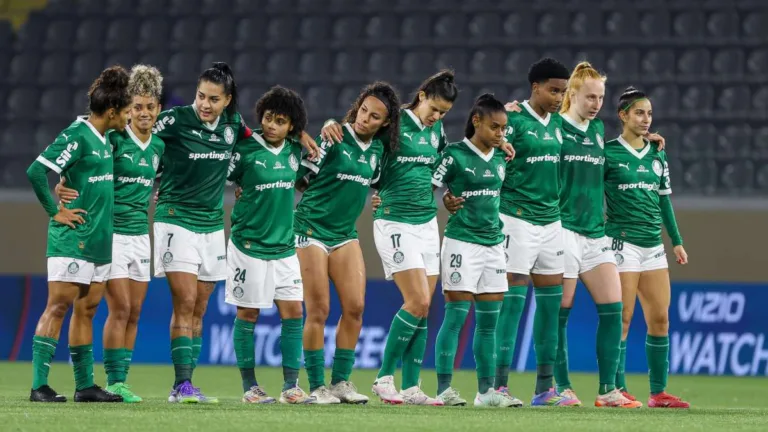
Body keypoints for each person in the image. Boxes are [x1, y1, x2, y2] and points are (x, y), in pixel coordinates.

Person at [322, 70, 455, 405]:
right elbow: (357, 138)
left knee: (425, 307)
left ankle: (411, 387)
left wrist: (446, 195)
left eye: (444, 113)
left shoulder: (437, 132)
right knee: (417, 301)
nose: (437, 117)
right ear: (422, 96)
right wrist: (330, 124)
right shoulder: (392, 124)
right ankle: (383, 378)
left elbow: (435, 170)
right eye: (434, 109)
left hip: (427, 223)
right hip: (395, 222)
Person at [54, 65, 166, 403]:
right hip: (112, 233)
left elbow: (164, 178)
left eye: (150, 107)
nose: (143, 113)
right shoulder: (115, 139)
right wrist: (62, 185)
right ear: (127, 109)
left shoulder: (159, 146)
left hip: (140, 237)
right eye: (137, 106)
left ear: (158, 109)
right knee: (120, 307)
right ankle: (111, 381)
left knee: (135, 311)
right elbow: (81, 157)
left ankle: (120, 381)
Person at [26, 66, 131, 403]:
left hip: (99, 241)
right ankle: (39, 385)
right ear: (112, 111)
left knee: (87, 310)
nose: (129, 117)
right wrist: (54, 209)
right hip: (72, 238)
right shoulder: (77, 135)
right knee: (57, 307)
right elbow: (36, 171)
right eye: (126, 111)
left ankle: (85, 385)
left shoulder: (107, 138)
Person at [295, 82, 399, 404]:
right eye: (363, 110)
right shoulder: (334, 137)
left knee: (355, 308)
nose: (365, 118)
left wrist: (381, 198)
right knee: (319, 309)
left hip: (344, 235)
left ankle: (340, 382)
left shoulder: (378, 152)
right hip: (311, 229)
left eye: (374, 116)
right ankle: (317, 386)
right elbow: (299, 177)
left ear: (385, 122)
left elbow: (377, 184)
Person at [551, 62, 642, 408]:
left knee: (614, 309)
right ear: (572, 94)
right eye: (590, 97)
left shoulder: (598, 130)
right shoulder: (555, 127)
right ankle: (562, 387)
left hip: (595, 232)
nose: (596, 104)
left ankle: (607, 390)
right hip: (562, 230)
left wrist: (644, 140)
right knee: (560, 313)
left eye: (601, 98)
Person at [493, 58, 580, 406]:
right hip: (516, 219)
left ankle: (545, 389)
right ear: (536, 88)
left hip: (552, 222)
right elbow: (483, 146)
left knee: (549, 308)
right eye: (553, 90)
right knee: (512, 306)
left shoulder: (559, 124)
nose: (559, 97)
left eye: (563, 92)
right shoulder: (512, 120)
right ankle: (498, 386)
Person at [226, 86, 314, 404]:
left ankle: (291, 387)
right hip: (248, 245)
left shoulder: (295, 152)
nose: (272, 125)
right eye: (267, 118)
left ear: (292, 126)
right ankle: (250, 387)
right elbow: (217, 177)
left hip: (284, 247)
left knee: (293, 312)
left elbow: (304, 182)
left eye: (280, 121)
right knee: (248, 313)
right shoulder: (245, 150)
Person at [431, 94, 520, 407]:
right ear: (476, 121)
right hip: (462, 243)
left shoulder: (501, 157)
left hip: (494, 245)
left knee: (488, 324)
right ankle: (444, 390)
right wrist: (445, 199)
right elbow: (428, 186)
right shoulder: (454, 155)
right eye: (494, 127)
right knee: (455, 317)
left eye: (503, 129)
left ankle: (486, 393)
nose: (500, 133)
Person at [605, 87, 690, 408]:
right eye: (639, 113)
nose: (646, 119)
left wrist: (676, 241)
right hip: (621, 242)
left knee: (660, 320)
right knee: (623, 318)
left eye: (650, 113)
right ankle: (617, 387)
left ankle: (658, 393)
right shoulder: (607, 152)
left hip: (653, 246)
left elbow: (664, 200)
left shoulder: (657, 153)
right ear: (623, 115)